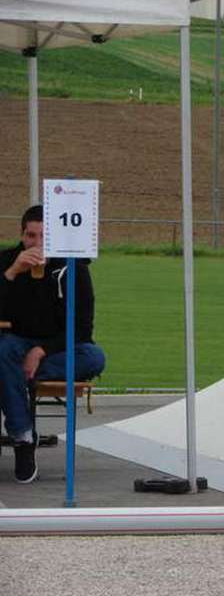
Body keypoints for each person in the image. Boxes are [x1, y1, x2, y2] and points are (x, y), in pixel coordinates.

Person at [0, 205, 105, 483]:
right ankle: (22, 437)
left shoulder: (74, 267)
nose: (35, 243)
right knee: (4, 350)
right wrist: (12, 273)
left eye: (43, 237)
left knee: (94, 357)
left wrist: (42, 350)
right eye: (30, 236)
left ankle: (15, 376)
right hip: (16, 340)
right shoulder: (8, 261)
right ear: (21, 235)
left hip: (57, 347)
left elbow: (82, 329)